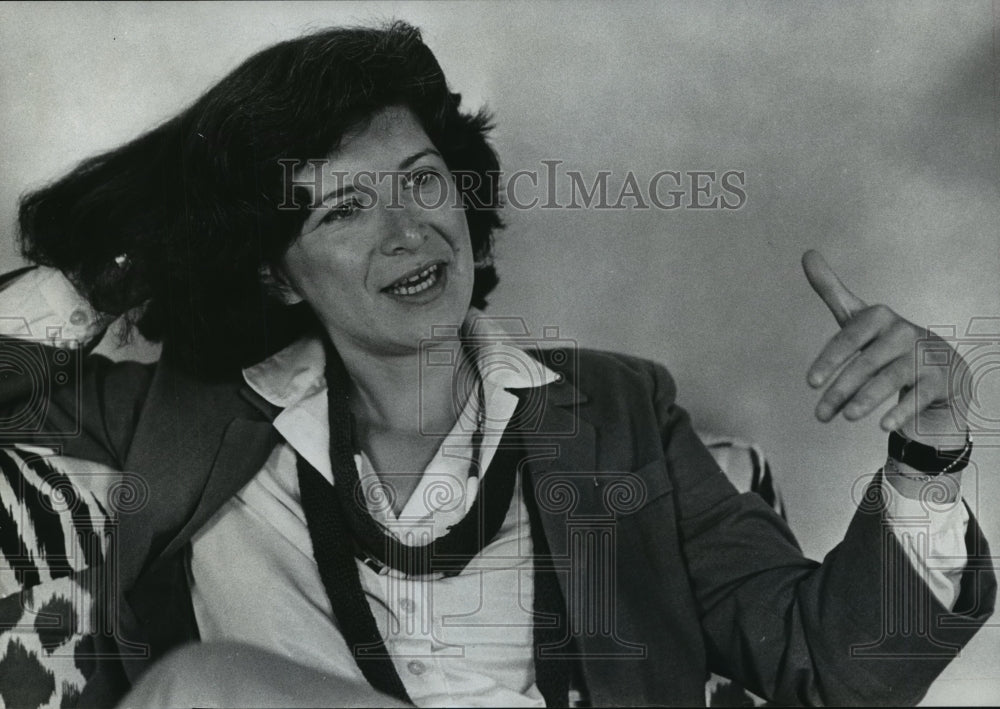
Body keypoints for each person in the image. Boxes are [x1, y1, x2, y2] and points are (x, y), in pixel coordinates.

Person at [0, 20, 993, 708]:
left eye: (419, 180)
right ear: (279, 274)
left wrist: (932, 450)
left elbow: (833, 669)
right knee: (195, 690)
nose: (407, 231)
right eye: (342, 210)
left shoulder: (617, 411)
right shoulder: (188, 417)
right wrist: (144, 221)